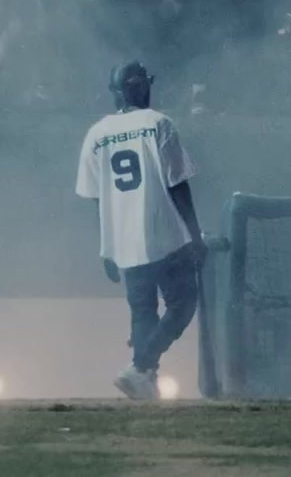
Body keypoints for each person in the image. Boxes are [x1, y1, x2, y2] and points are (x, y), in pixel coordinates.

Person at [75, 61, 205, 401]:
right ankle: (141, 366)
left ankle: (145, 379)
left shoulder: (96, 134)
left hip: (124, 239)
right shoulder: (158, 123)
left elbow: (95, 198)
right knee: (184, 303)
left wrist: (105, 246)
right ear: (143, 87)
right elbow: (178, 185)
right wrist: (194, 233)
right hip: (166, 234)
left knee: (143, 311)